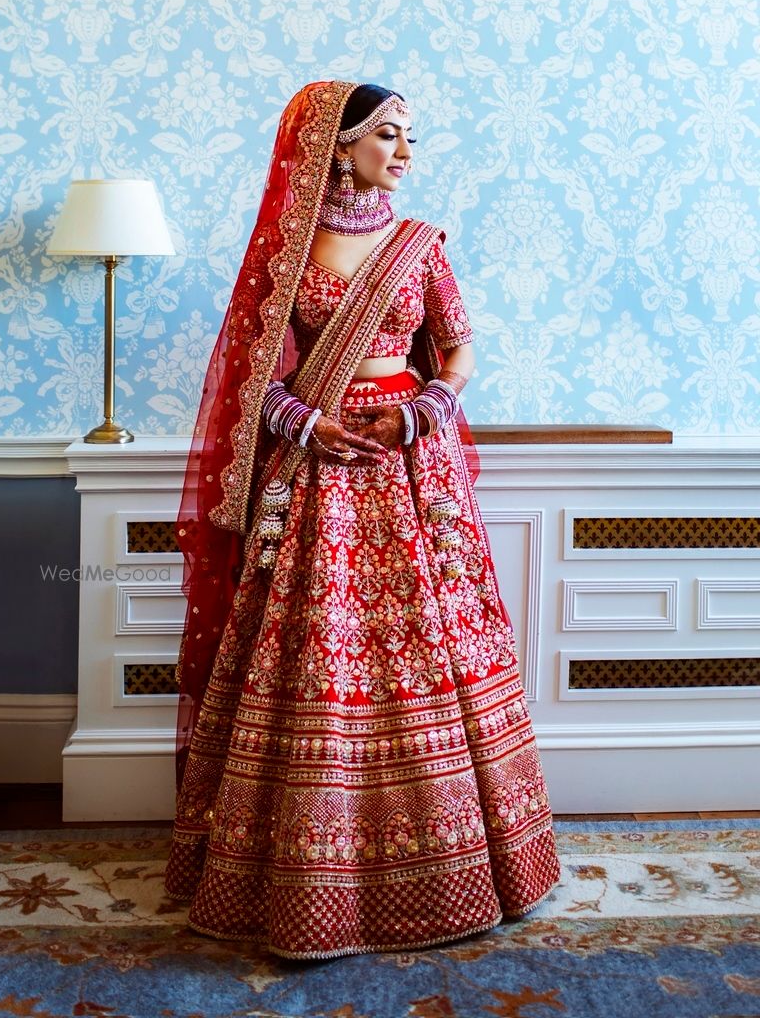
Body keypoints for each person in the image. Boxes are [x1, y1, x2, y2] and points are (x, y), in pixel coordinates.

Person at [165, 79, 561, 959]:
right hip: (320, 475)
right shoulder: (289, 251)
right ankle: (305, 881)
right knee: (315, 644)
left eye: (409, 137)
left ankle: (464, 864)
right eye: (388, 135)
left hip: (414, 470)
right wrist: (308, 422)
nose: (406, 153)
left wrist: (423, 409)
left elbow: (458, 347)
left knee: (432, 641)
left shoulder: (420, 246)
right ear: (338, 146)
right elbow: (253, 372)